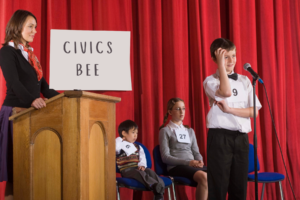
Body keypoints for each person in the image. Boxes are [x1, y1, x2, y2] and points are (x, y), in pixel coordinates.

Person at [0, 10, 59, 199]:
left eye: (35, 26)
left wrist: (67, 99)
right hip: (15, 114)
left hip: (32, 115)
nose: (35, 30)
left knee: (28, 169)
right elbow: (14, 82)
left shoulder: (31, 55)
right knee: (15, 170)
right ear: (18, 27)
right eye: (30, 26)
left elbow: (45, 88)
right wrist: (32, 100)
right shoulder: (7, 51)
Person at [203, 38, 262, 200]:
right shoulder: (210, 81)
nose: (231, 61)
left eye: (233, 56)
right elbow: (226, 92)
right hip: (220, 138)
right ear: (215, 59)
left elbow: (254, 112)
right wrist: (222, 67)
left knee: (239, 186)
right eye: (225, 57)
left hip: (241, 138)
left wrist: (230, 110)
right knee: (219, 186)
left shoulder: (244, 81)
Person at [159, 98, 208, 200]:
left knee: (218, 174)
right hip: (176, 167)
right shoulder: (165, 131)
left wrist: (200, 161)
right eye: (178, 109)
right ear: (170, 111)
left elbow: (196, 152)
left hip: (192, 165)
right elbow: (165, 157)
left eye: (183, 108)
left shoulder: (190, 131)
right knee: (204, 177)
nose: (182, 112)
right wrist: (188, 162)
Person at [116, 120, 165, 200]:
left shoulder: (138, 147)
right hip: (127, 170)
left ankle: (159, 190)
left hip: (138, 168)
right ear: (124, 133)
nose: (135, 135)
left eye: (137, 133)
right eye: (133, 132)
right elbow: (114, 148)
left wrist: (142, 165)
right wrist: (119, 139)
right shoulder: (119, 145)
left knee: (149, 171)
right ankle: (153, 185)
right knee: (138, 173)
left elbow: (142, 158)